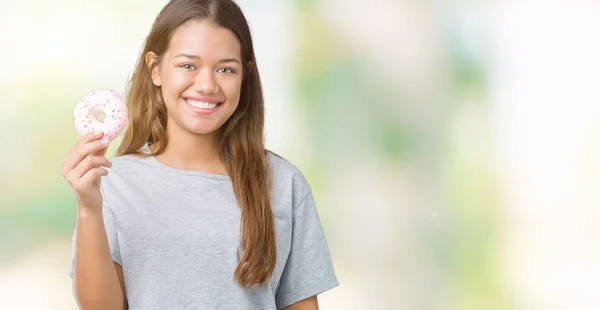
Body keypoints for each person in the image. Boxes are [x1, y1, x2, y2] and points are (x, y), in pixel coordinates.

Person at [61, 0, 339, 309]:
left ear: (244, 75)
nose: (206, 85)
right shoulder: (112, 184)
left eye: (225, 69)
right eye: (188, 65)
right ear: (156, 69)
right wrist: (88, 208)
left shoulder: (284, 184)